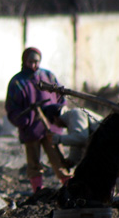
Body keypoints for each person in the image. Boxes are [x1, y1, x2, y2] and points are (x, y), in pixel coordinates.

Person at [5, 47, 70, 192]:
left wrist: (58, 117)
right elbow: (11, 107)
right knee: (34, 163)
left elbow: (61, 98)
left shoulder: (48, 77)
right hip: (31, 129)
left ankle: (69, 187)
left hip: (51, 127)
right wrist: (24, 121)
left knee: (59, 160)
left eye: (36, 62)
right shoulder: (17, 82)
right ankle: (38, 191)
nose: (34, 65)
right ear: (24, 61)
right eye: (30, 62)